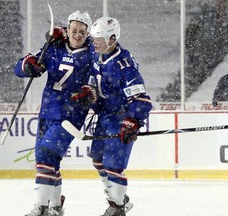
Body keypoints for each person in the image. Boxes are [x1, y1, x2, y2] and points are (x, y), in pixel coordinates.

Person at [14, 10, 94, 216]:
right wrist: (27, 65)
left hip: (70, 117)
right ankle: (56, 206)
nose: (77, 35)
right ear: (67, 30)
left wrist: (90, 92)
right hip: (47, 112)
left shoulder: (92, 53)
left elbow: (100, 81)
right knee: (47, 160)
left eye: (82, 32)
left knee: (46, 157)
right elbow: (28, 67)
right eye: (74, 30)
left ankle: (41, 208)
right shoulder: (55, 47)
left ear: (88, 33)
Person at [71, 17, 152, 216]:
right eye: (94, 37)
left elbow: (142, 99)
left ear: (113, 38)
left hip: (121, 118)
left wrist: (132, 121)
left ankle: (117, 207)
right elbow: (93, 81)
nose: (94, 41)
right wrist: (88, 92)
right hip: (105, 117)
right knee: (98, 160)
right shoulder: (99, 54)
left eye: (99, 38)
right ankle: (118, 199)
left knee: (114, 166)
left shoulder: (123, 65)